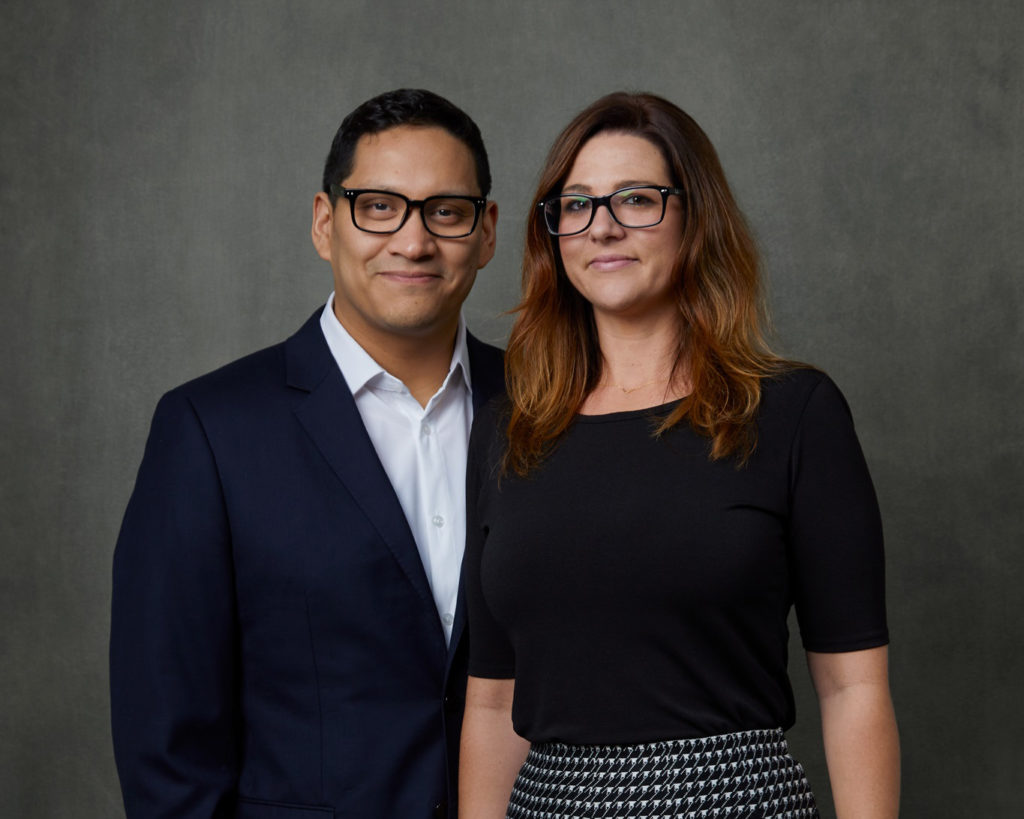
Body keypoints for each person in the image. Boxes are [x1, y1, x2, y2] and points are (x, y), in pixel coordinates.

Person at [460, 92, 900, 818]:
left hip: (737, 803)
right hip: (546, 805)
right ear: (553, 233)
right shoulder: (508, 431)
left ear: (695, 217)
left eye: (636, 199)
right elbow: (492, 700)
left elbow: (852, 689)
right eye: (575, 205)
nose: (602, 227)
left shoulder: (794, 413)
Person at [110, 88, 503, 819]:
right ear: (325, 223)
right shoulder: (209, 429)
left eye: (445, 211)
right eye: (378, 206)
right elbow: (167, 742)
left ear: (486, 232)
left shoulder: (547, 408)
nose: (412, 241)